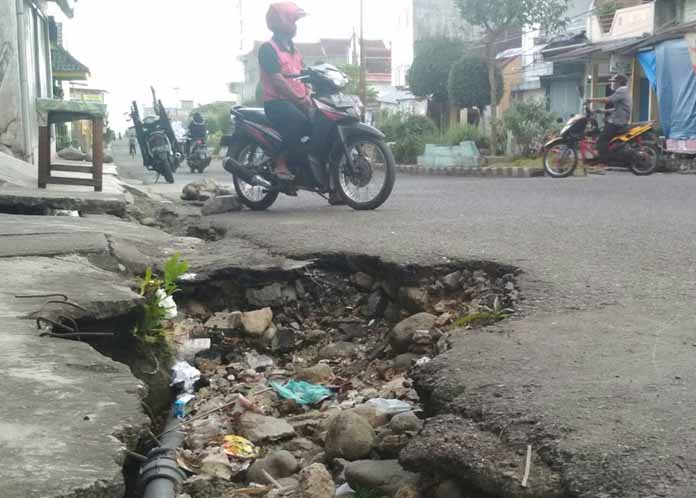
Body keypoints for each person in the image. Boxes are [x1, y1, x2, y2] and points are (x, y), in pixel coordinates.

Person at [258, 2, 313, 182]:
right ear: (281, 22)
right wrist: (299, 99)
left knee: (322, 122)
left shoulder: (294, 50)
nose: (296, 26)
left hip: (298, 100)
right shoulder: (267, 49)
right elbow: (278, 81)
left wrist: (308, 93)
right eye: (293, 21)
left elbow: (305, 75)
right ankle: (280, 163)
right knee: (300, 122)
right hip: (277, 103)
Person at [585, 73, 631, 164]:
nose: (611, 84)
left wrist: (591, 100)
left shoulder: (622, 90)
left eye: (613, 81)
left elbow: (608, 100)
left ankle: (604, 160)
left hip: (617, 122)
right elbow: (617, 108)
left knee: (601, 140)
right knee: (604, 138)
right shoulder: (624, 91)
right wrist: (601, 111)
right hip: (618, 119)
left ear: (619, 82)